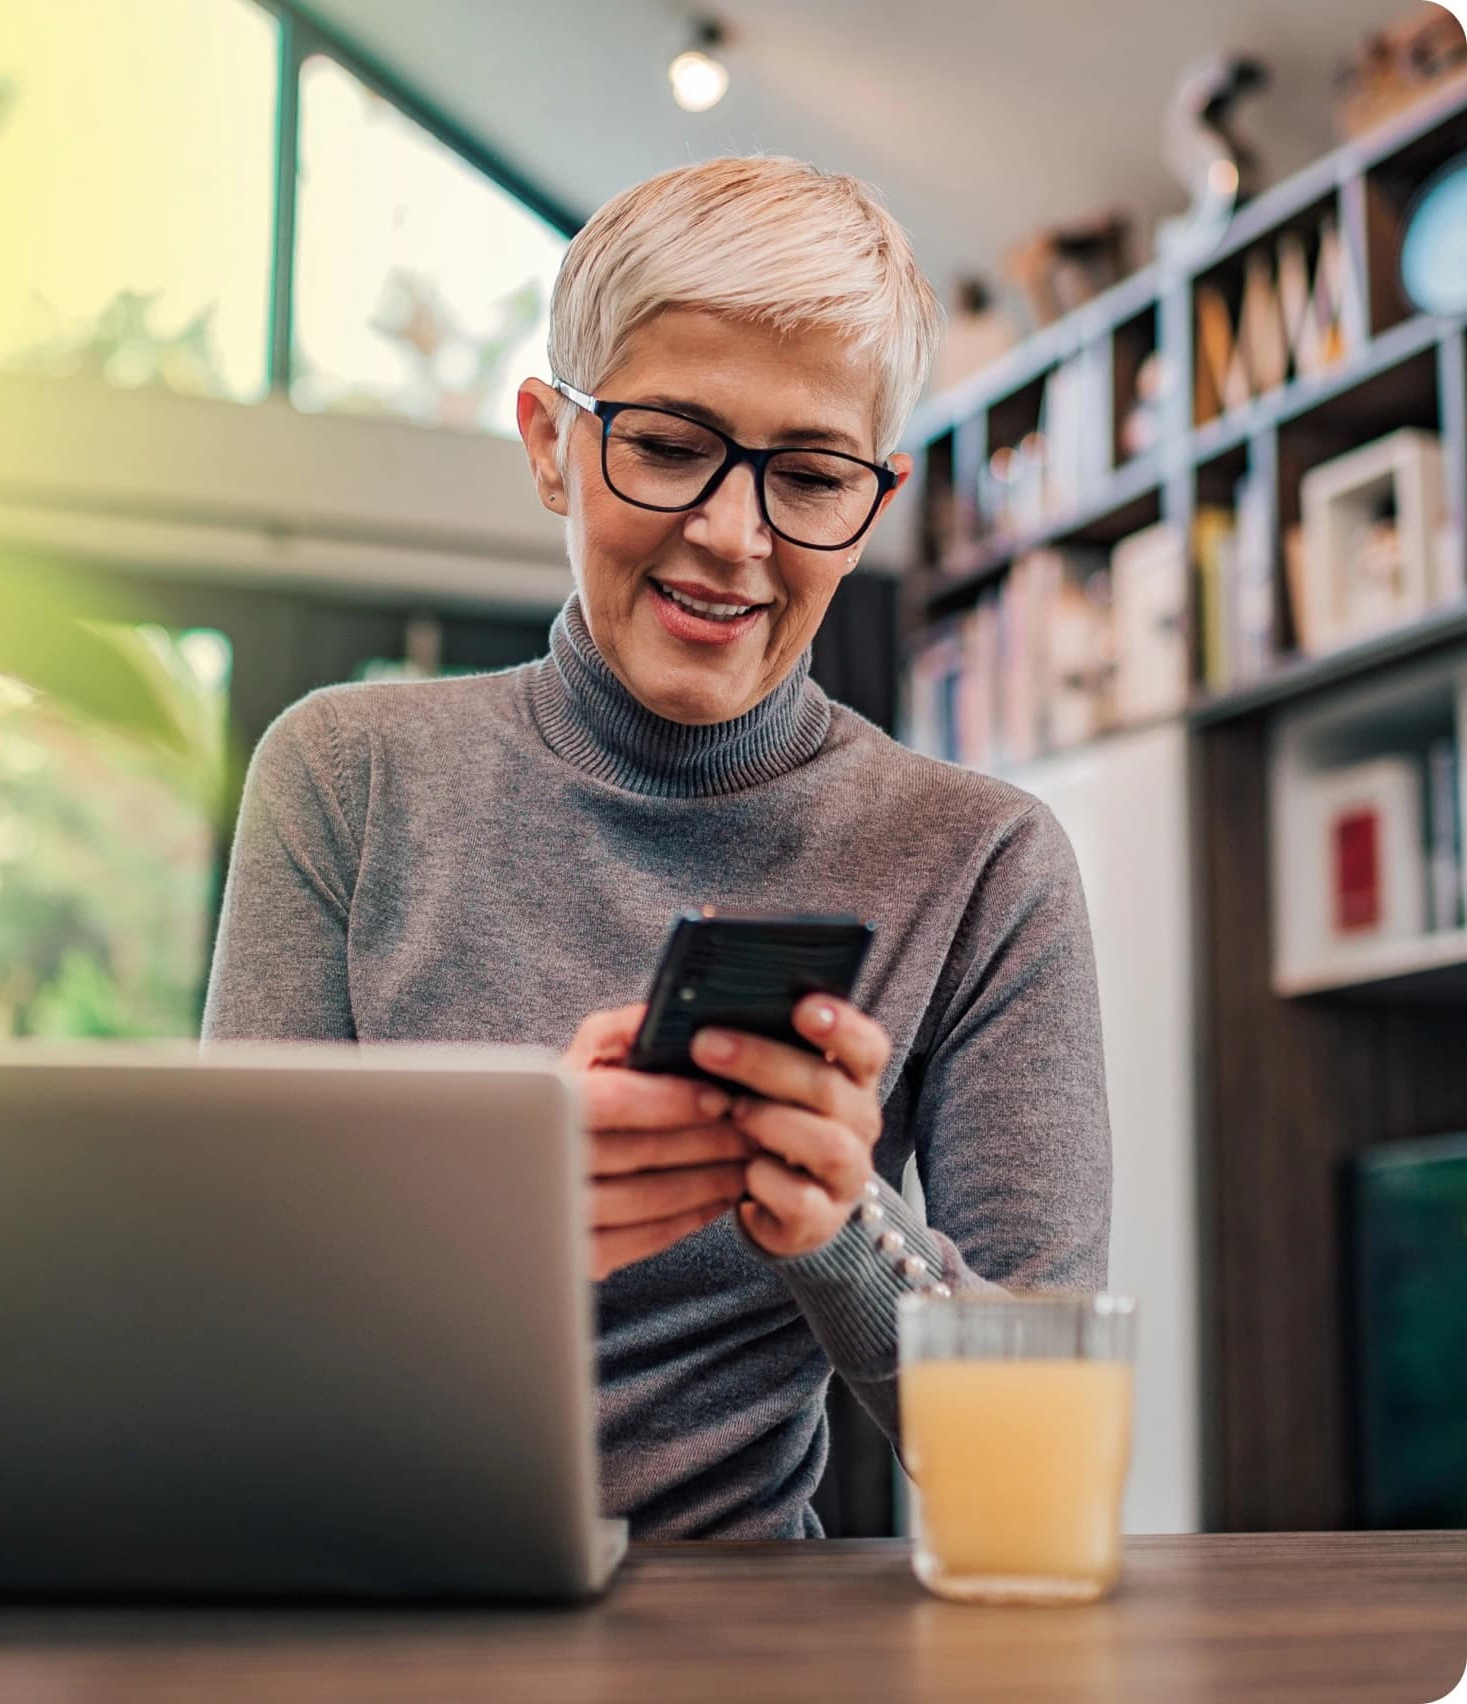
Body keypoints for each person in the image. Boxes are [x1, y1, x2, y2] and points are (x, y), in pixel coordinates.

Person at [203, 155, 1112, 1540]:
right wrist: (500, 1212)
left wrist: (840, 1229)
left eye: (809, 476)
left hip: (742, 1640)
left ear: (873, 501)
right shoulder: (346, 775)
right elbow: (225, 1327)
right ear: (550, 443)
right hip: (368, 1606)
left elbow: (1041, 1467)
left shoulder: (981, 863)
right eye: (672, 447)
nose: (732, 536)